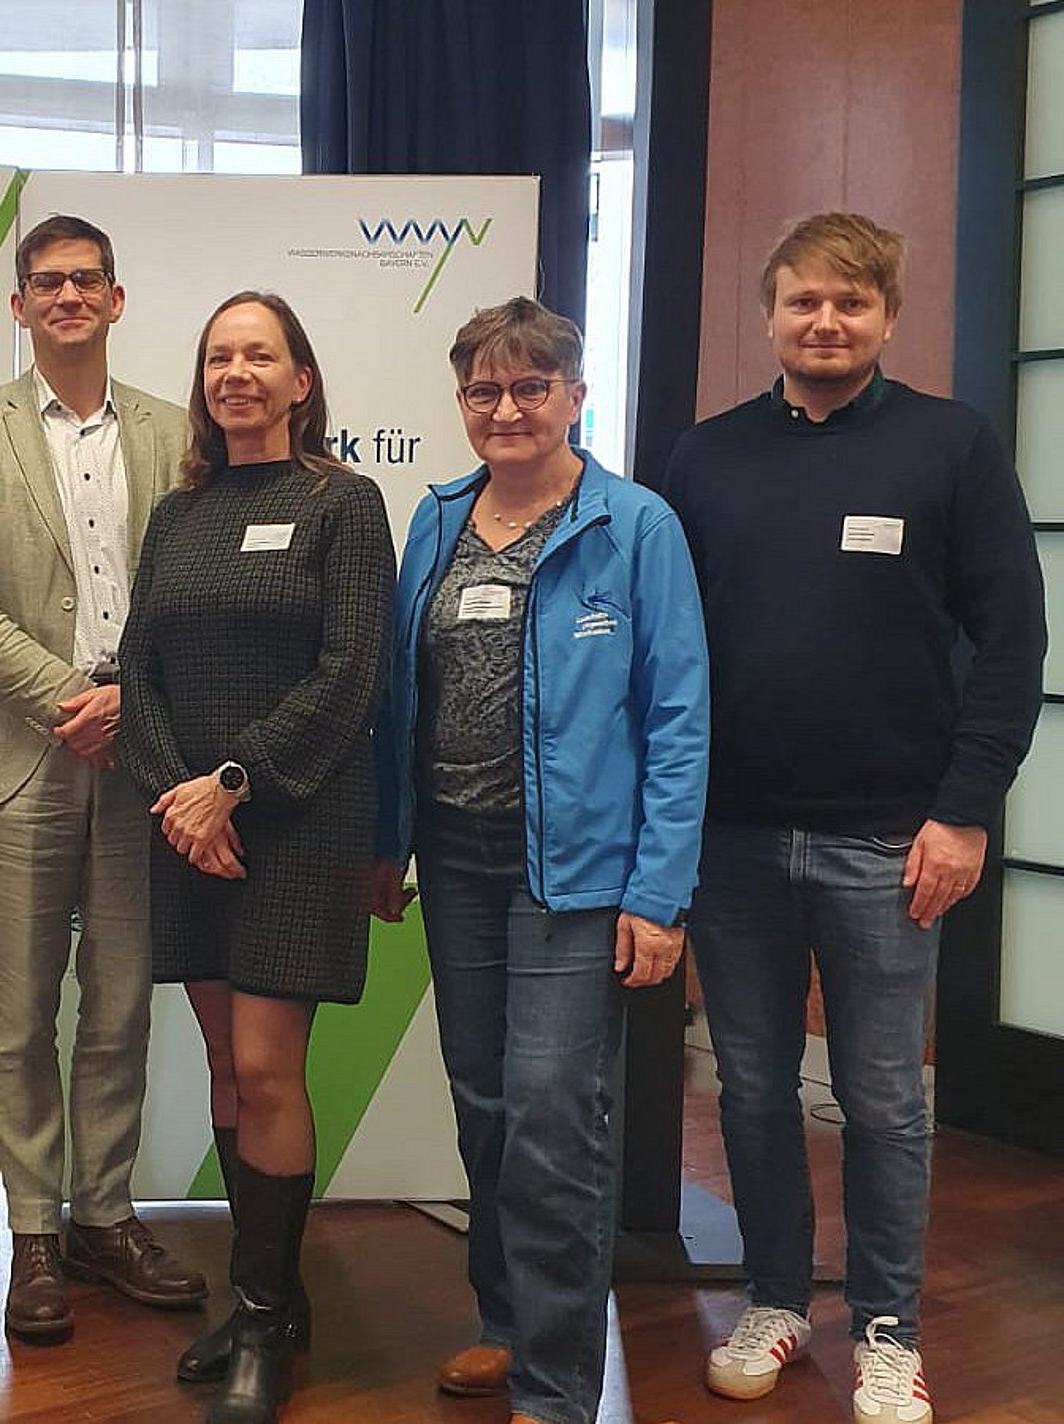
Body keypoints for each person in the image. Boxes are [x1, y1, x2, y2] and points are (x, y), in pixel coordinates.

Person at [663, 213, 1044, 1424]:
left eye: (850, 302)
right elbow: (666, 651)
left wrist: (965, 811)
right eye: (803, 301)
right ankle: (775, 1298)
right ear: (768, 313)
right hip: (730, 836)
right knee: (752, 1088)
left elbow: (1012, 640)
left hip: (889, 838)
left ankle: (886, 1328)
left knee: (882, 1100)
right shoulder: (705, 458)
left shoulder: (951, 444)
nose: (824, 322)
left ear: (887, 315)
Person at [370, 296, 709, 1424]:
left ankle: (559, 1385)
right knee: (485, 1105)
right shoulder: (438, 519)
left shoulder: (635, 526)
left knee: (556, 1113)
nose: (506, 408)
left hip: (576, 873)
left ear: (574, 395)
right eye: (484, 389)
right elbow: (400, 698)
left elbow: (679, 718)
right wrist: (386, 841)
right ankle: (506, 1323)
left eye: (530, 387)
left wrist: (659, 893)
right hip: (457, 862)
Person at [0, 214, 205, 1341]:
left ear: (116, 298)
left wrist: (129, 700)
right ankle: (33, 1230)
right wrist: (70, 698)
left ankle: (105, 1217)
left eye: (87, 280)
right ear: (20, 303)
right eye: (48, 282)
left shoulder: (176, 432)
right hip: (23, 755)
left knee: (122, 1004)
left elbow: (191, 593)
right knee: (22, 1011)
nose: (68, 297)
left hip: (142, 754)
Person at [120, 291, 395, 1424]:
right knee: (227, 1069)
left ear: (300, 380)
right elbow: (136, 670)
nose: (236, 373)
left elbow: (351, 671)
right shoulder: (178, 513)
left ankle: (269, 1318)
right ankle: (261, 1303)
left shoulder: (343, 503)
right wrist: (181, 800)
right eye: (219, 357)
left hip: (294, 824)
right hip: (191, 829)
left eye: (260, 356)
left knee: (270, 1070)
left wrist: (232, 784)